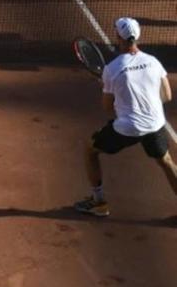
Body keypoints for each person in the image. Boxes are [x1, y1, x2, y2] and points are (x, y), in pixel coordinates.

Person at [74, 16, 177, 217]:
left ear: (118, 37)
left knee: (89, 149)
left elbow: (107, 108)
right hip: (155, 124)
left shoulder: (112, 69)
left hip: (127, 128)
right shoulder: (153, 62)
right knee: (166, 162)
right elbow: (167, 95)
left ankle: (99, 202)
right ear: (138, 37)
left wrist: (117, 93)